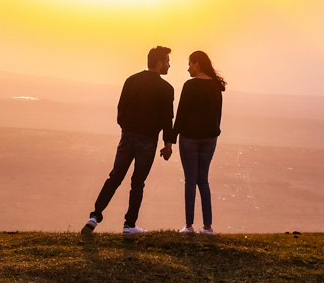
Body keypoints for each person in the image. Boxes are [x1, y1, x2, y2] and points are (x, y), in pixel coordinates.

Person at [82, 46, 175, 237]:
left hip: (128, 134)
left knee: (115, 176)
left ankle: (95, 215)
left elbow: (120, 109)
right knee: (137, 182)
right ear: (159, 63)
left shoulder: (131, 80)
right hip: (148, 139)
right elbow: (167, 119)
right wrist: (168, 144)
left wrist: (126, 127)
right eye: (167, 61)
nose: (169, 65)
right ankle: (129, 225)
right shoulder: (166, 89)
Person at [172, 50, 225, 234]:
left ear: (197, 64)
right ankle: (207, 227)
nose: (188, 69)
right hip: (210, 139)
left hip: (190, 138)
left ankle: (188, 226)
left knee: (190, 181)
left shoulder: (190, 86)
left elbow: (181, 115)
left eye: (189, 64)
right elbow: (218, 114)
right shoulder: (216, 86)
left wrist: (170, 140)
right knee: (203, 180)